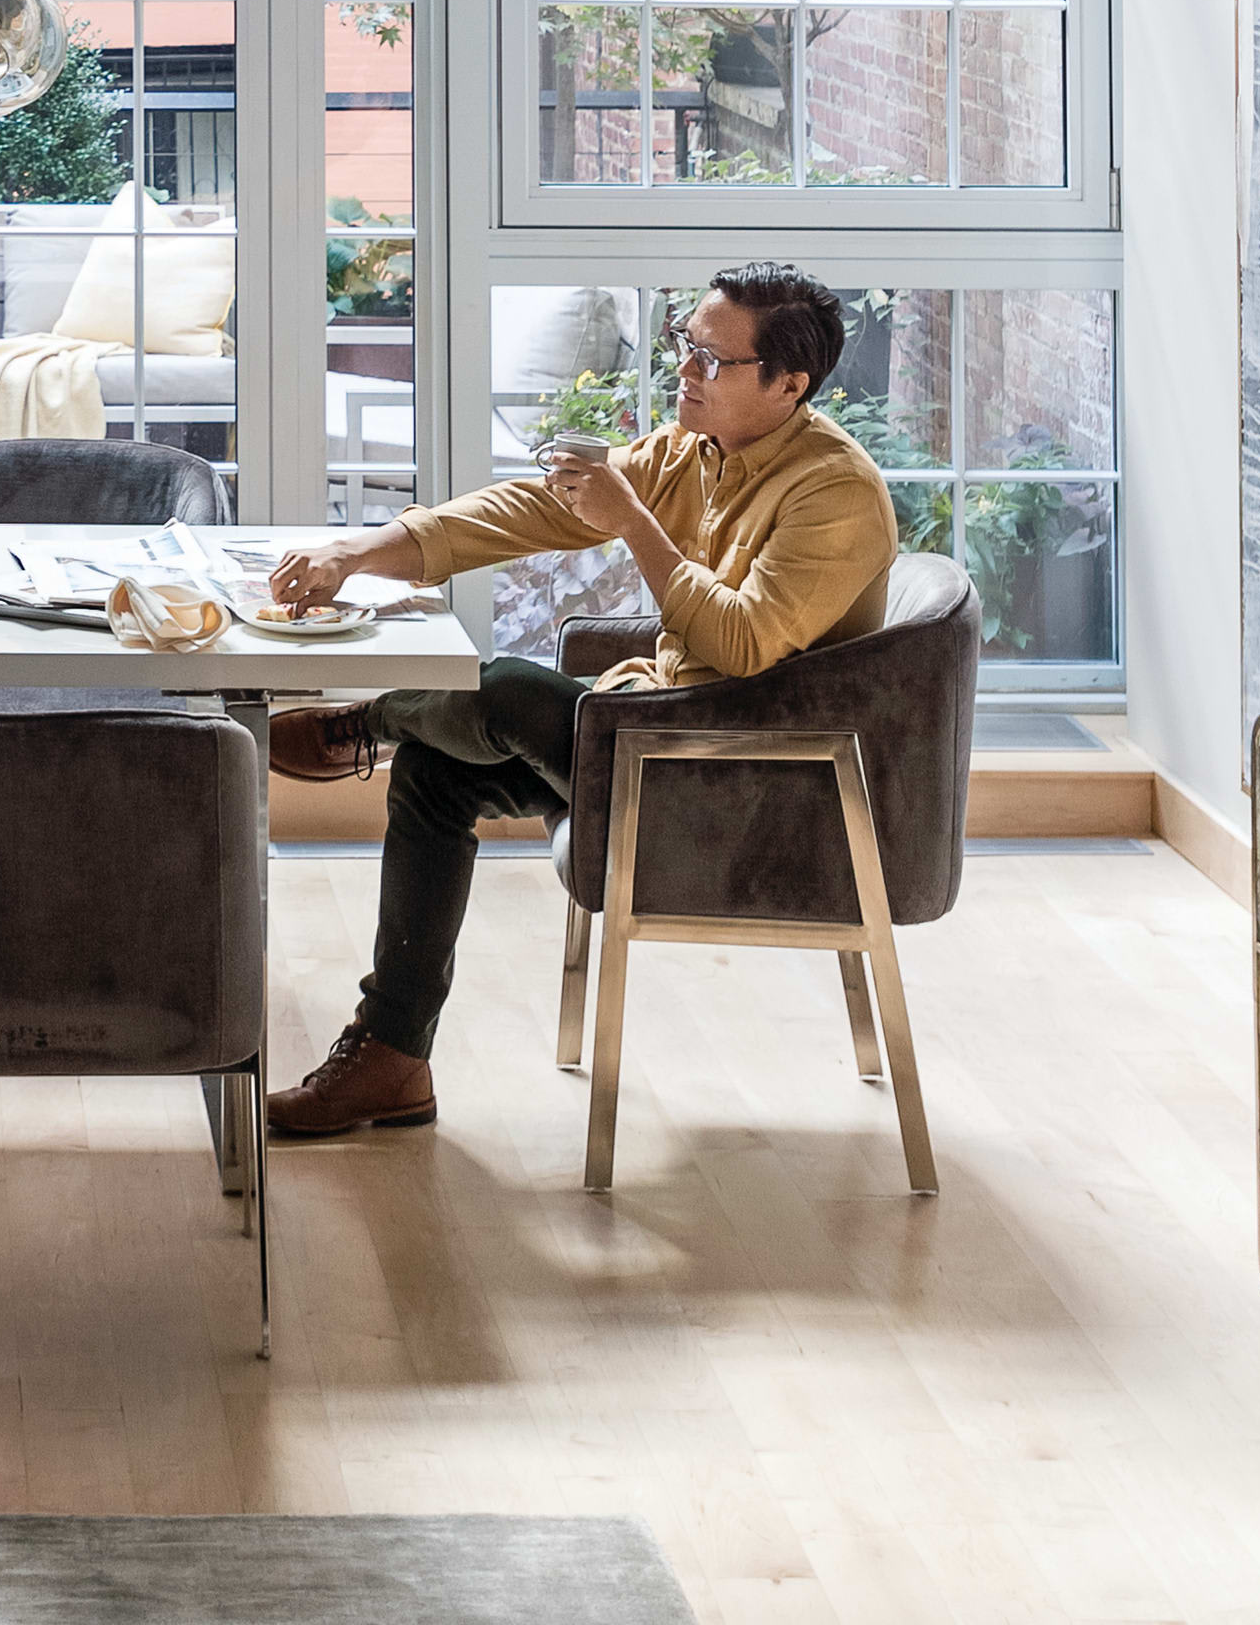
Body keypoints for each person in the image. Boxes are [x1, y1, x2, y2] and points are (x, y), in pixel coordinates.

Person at [260, 263, 894, 1140]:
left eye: (714, 361)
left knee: (507, 688)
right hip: (650, 735)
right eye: (686, 347)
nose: (687, 371)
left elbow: (743, 644)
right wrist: (356, 551)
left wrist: (634, 522)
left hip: (746, 784)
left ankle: (364, 725)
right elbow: (528, 511)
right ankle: (391, 1056)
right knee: (440, 770)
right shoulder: (692, 452)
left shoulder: (837, 495)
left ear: (790, 385)